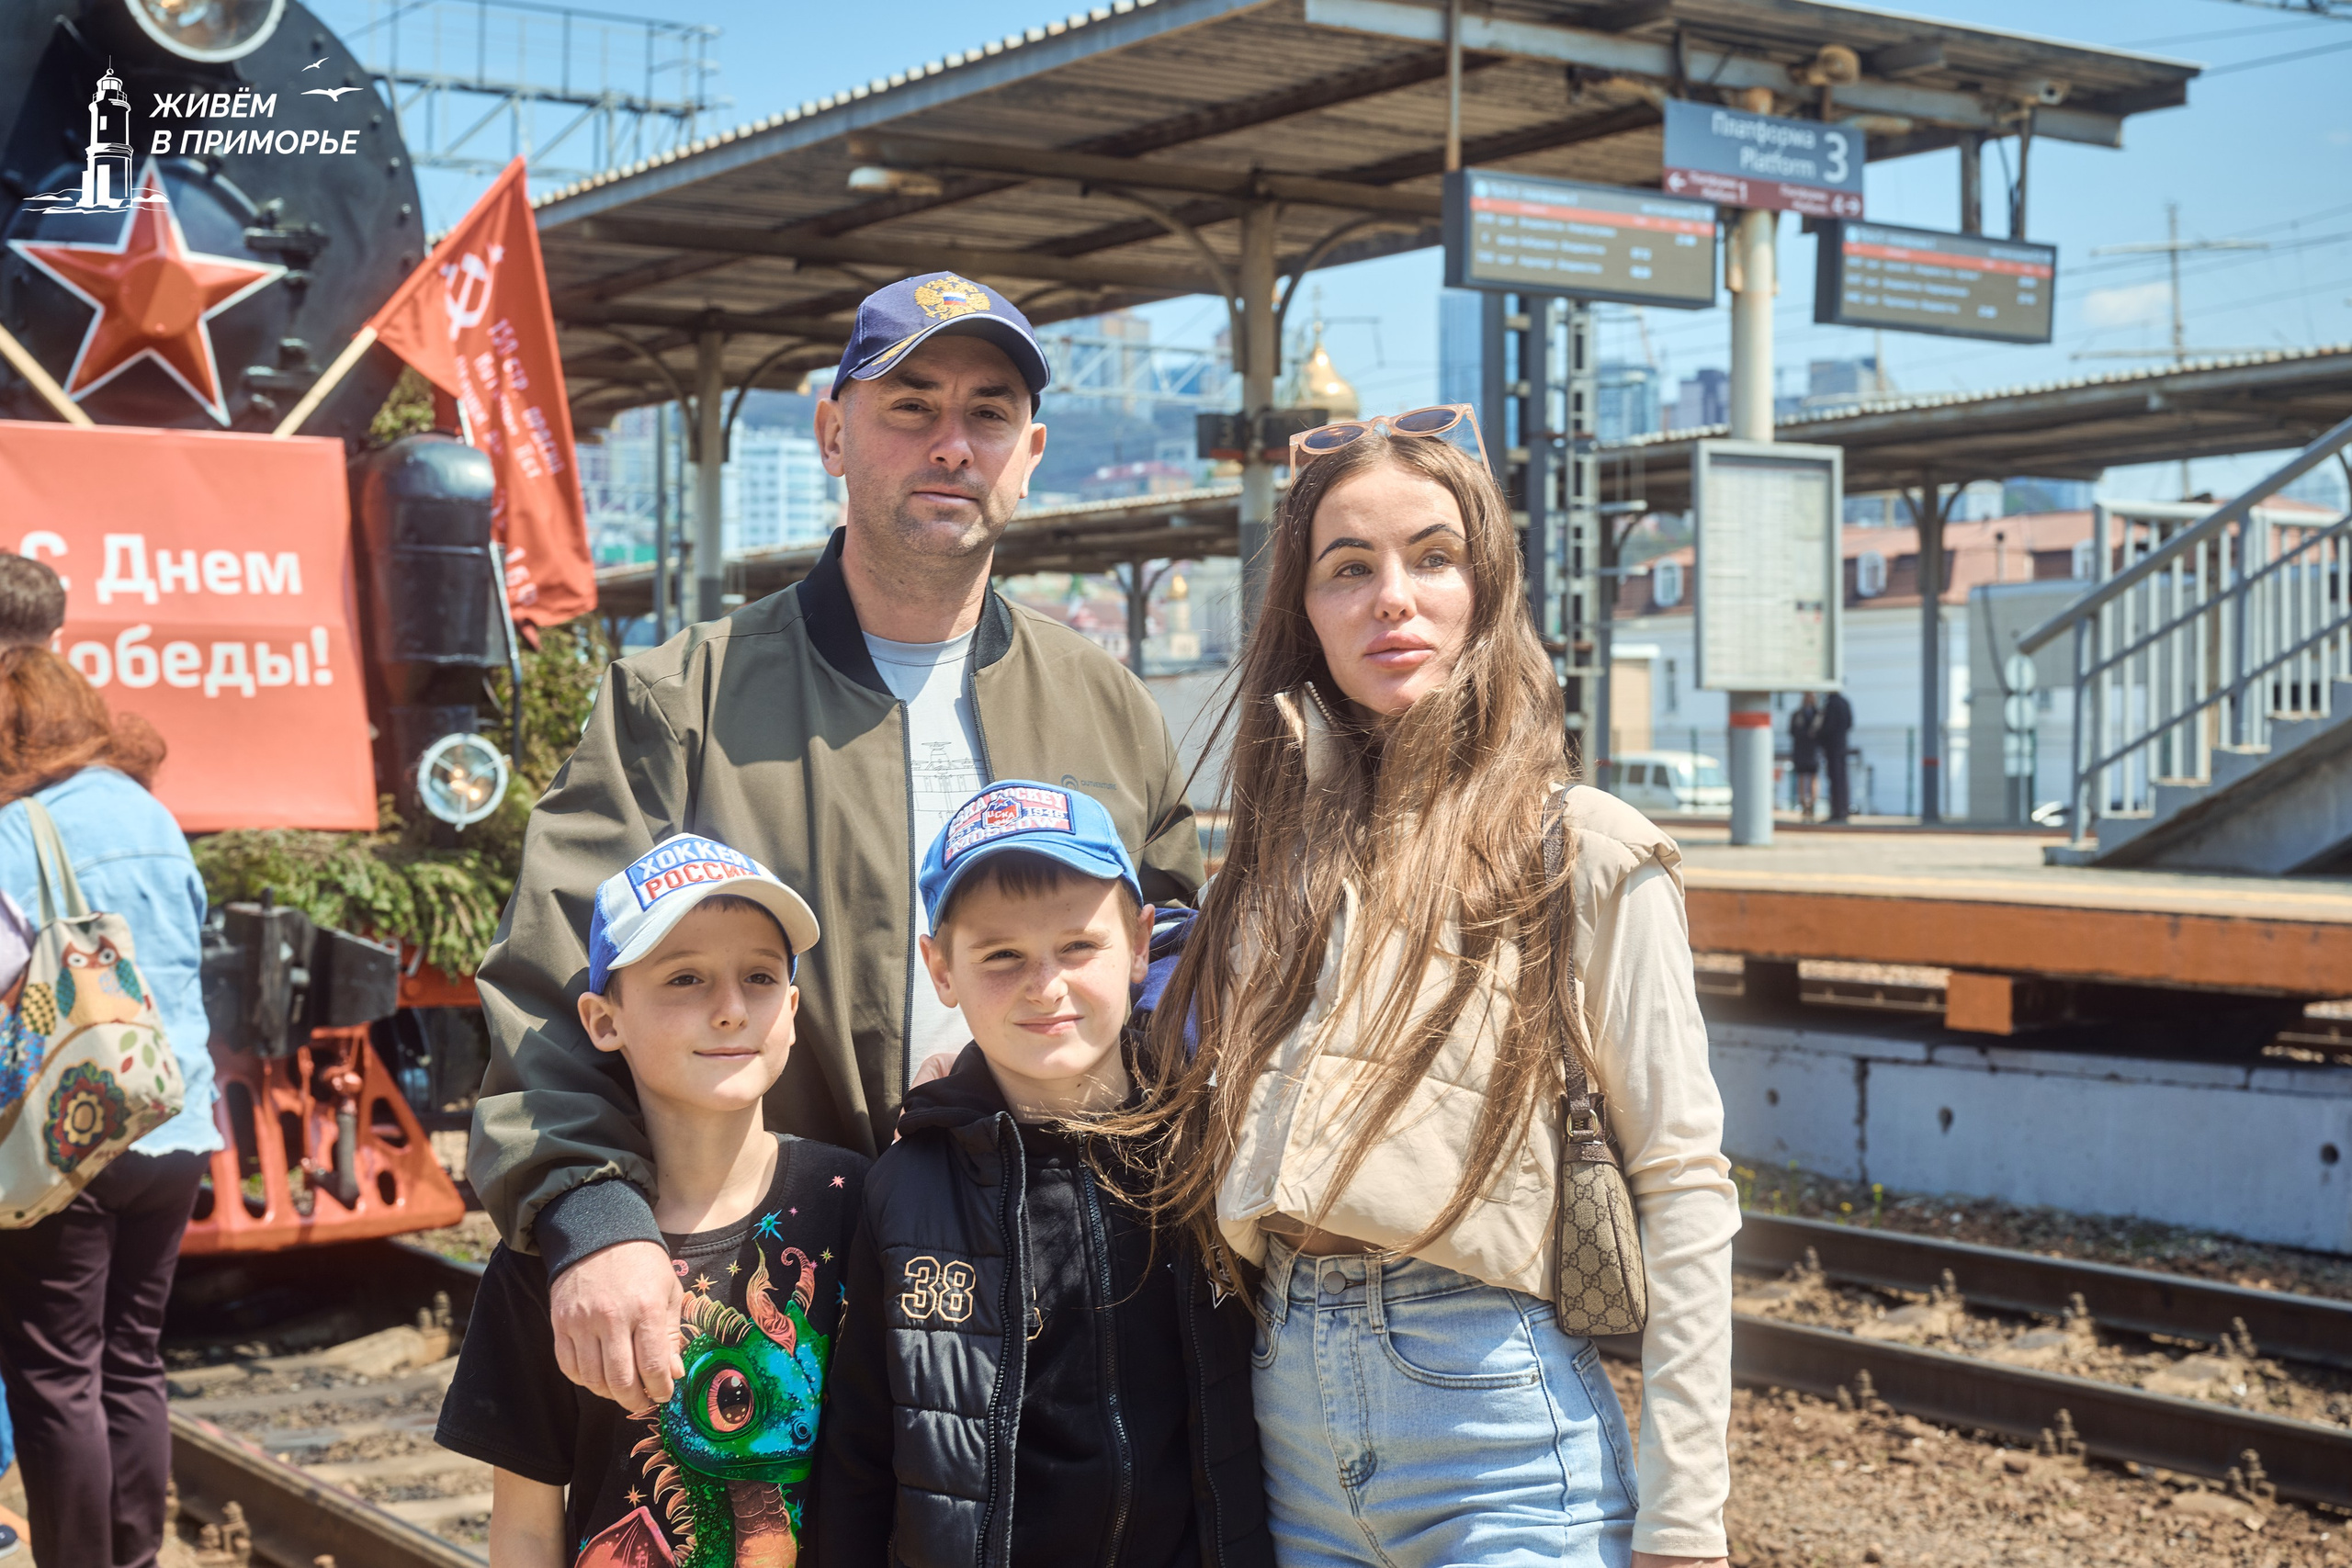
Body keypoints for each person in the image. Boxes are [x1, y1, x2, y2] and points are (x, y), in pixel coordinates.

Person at [469, 272, 1204, 1417]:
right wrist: (592, 1212)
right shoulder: (682, 703)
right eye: (909, 406)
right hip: (774, 1298)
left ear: (1032, 450)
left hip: (1069, 1289)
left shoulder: (1105, 704)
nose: (950, 443)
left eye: (988, 413)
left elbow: (1177, 972)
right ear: (831, 432)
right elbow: (553, 980)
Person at [1125, 414, 1738, 1568]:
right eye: (1347, 568)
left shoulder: (1588, 852)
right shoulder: (1269, 868)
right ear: (1303, 615)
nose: (1390, 598)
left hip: (1498, 1429)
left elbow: (1684, 1186)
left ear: (1485, 589)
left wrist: (1685, 1519)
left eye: (1432, 557)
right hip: (1291, 1434)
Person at [819, 782, 1270, 1568]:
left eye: (1077, 946)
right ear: (941, 968)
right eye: (1001, 955)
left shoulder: (1212, 1141)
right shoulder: (904, 1189)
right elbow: (858, 1457)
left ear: (1139, 943)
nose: (1044, 984)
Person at [437, 834, 864, 1567]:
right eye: (685, 978)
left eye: (759, 976)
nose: (730, 1008)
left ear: (791, 1009)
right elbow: (526, 1525)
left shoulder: (858, 1204)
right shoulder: (549, 1253)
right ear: (605, 1020)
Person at [0, 636, 220, 1568]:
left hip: (71, 1138)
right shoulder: (149, 811)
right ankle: (133, 1558)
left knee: (55, 1377)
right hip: (175, 1121)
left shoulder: (15, 832)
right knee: (130, 1361)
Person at [1819, 688, 1855, 822]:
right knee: (1842, 779)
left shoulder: (1831, 704)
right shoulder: (1845, 702)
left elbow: (1827, 726)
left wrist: (1820, 737)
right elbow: (1850, 723)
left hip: (1832, 747)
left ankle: (1837, 811)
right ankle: (1843, 810)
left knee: (1835, 779)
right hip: (1842, 745)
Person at [1789, 694, 1823, 821]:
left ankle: (1813, 804)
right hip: (1802, 750)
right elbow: (1792, 731)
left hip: (1813, 750)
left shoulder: (1818, 715)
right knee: (1802, 777)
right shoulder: (1798, 714)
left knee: (1813, 777)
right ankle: (1804, 804)